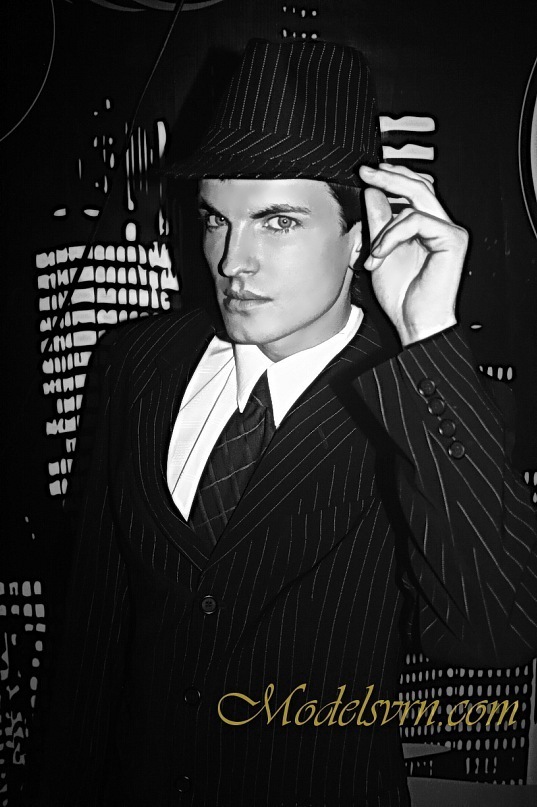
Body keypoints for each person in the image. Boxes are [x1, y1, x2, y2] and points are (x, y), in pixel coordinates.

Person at [36, 38, 537, 807]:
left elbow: (492, 633)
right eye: (214, 219)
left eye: (276, 221)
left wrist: (426, 333)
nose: (231, 260)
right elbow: (94, 634)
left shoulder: (424, 398)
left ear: (360, 235)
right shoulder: (140, 362)